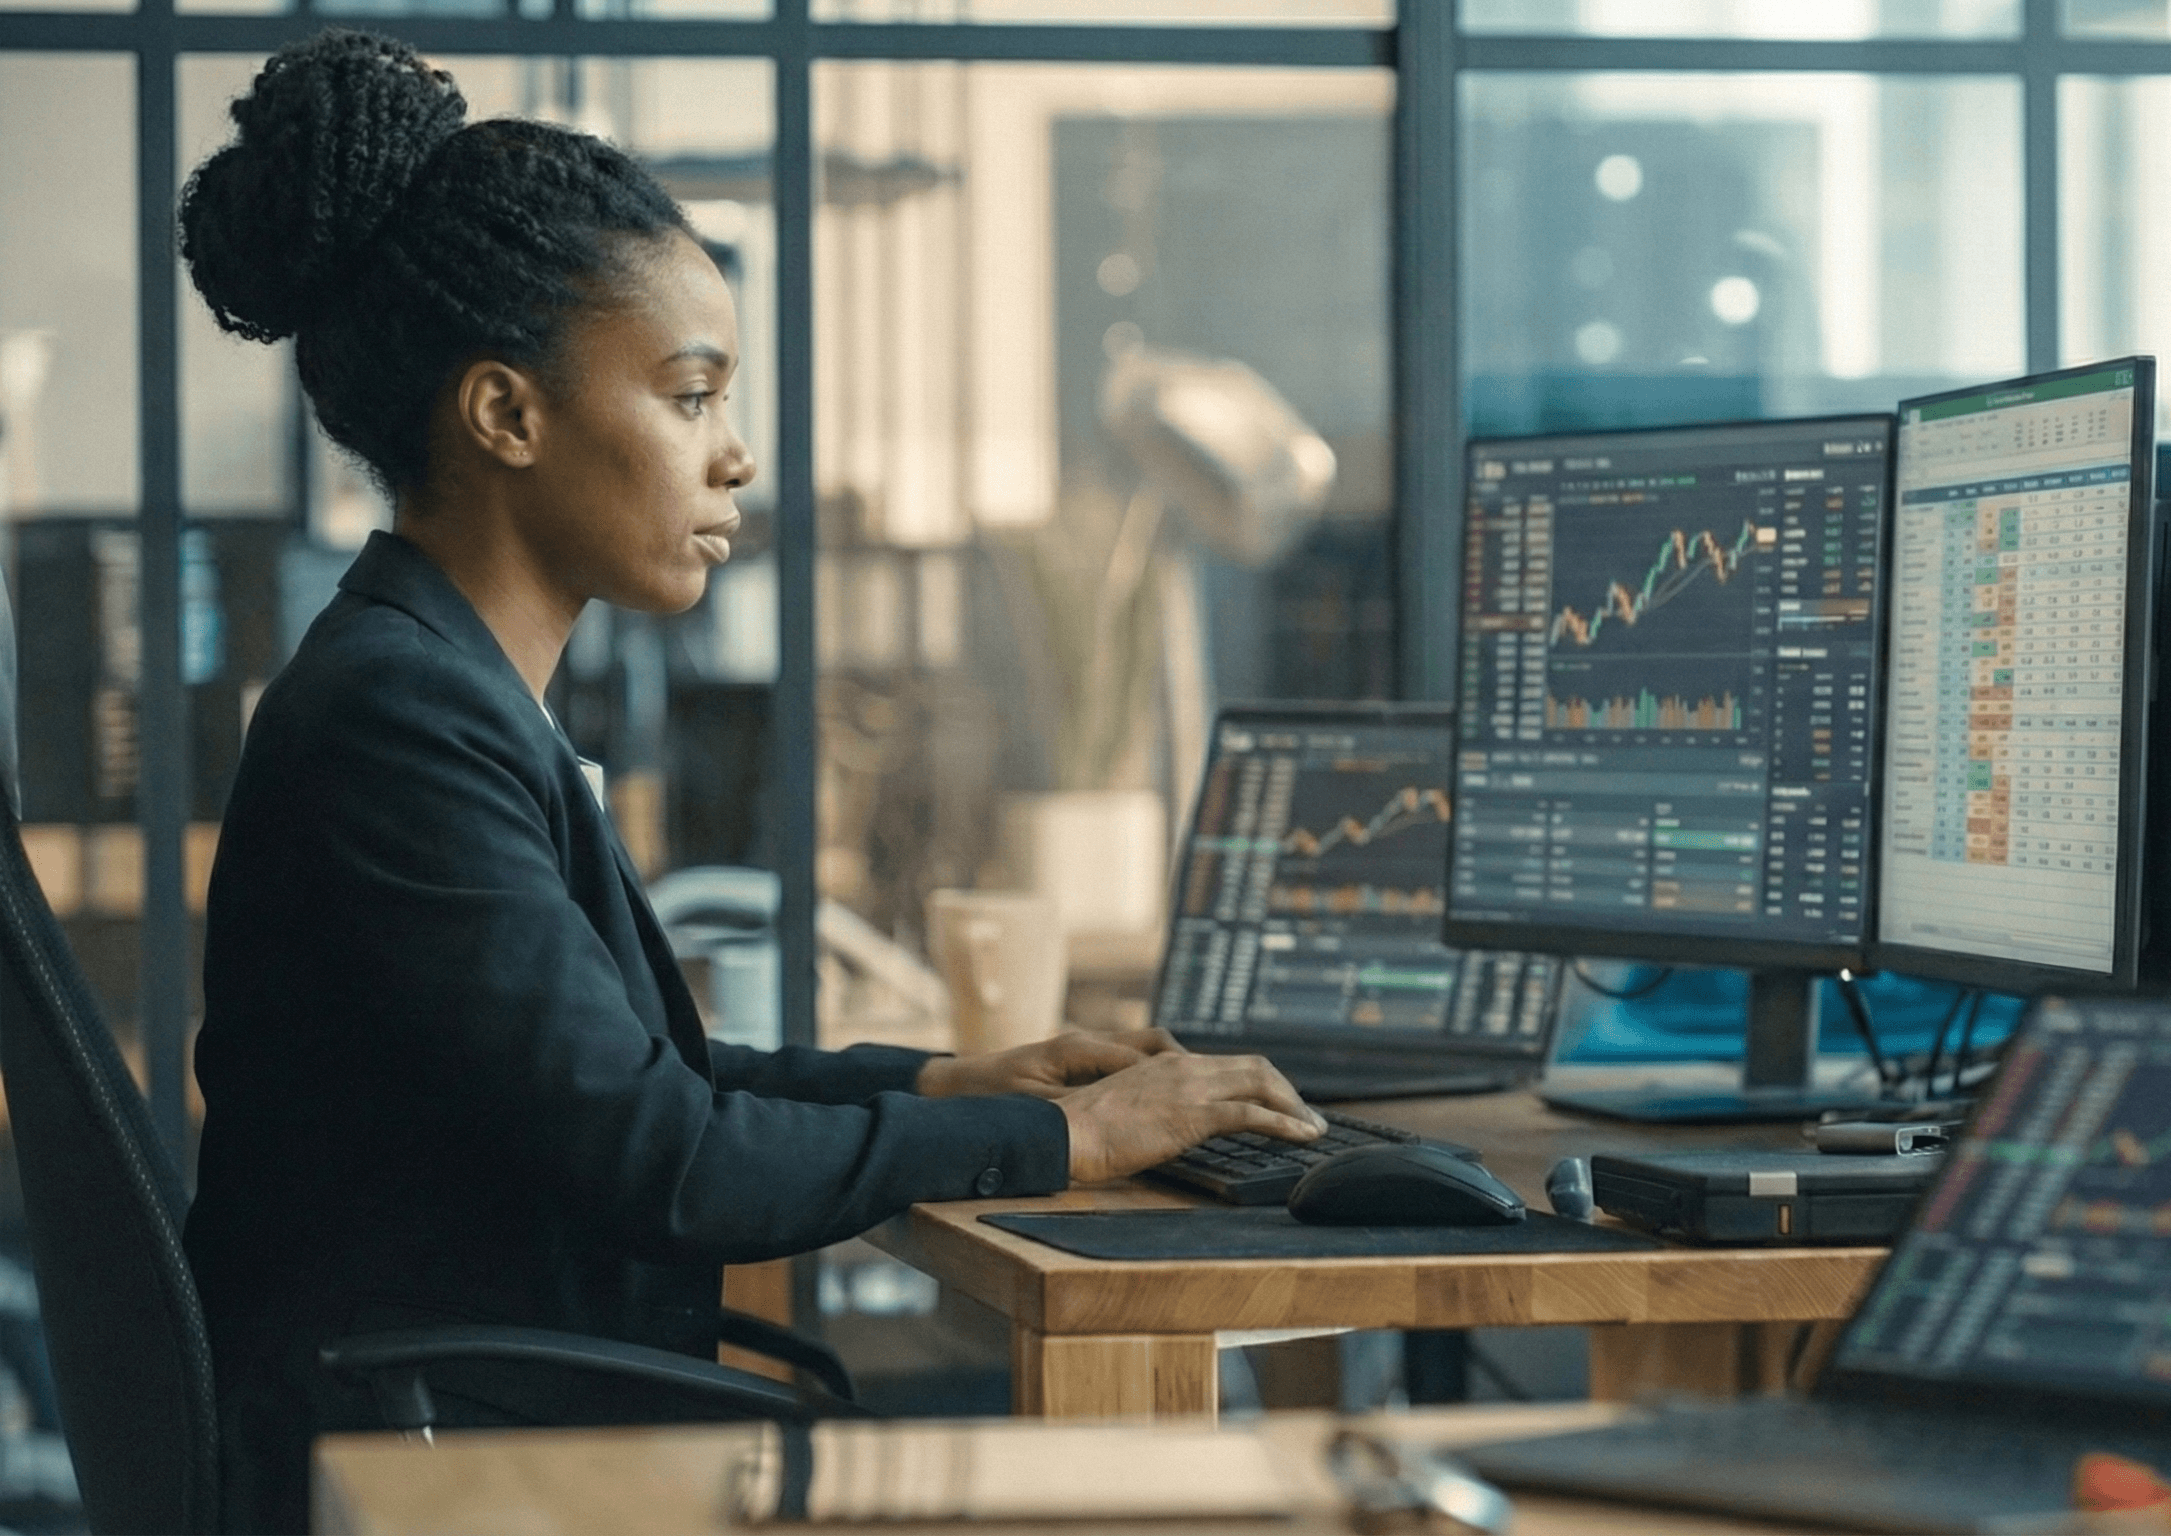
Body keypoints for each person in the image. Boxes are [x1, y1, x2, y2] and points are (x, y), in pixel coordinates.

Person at [175, 30, 1322, 1531]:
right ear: (508, 415)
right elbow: (671, 1164)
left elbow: (635, 1093)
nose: (739, 458)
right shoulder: (400, 719)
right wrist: (1074, 1140)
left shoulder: (426, 683)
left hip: (462, 1426)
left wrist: (942, 1080)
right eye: (691, 394)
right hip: (434, 1469)